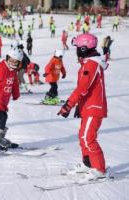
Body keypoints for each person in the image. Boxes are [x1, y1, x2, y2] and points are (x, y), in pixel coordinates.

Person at [58, 33, 109, 182]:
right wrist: (79, 106)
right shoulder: (88, 63)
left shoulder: (91, 65)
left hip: (94, 107)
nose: (76, 51)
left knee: (88, 137)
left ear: (83, 49)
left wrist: (68, 105)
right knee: (83, 136)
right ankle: (88, 164)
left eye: (78, 48)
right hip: (88, 107)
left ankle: (99, 169)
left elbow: (83, 88)